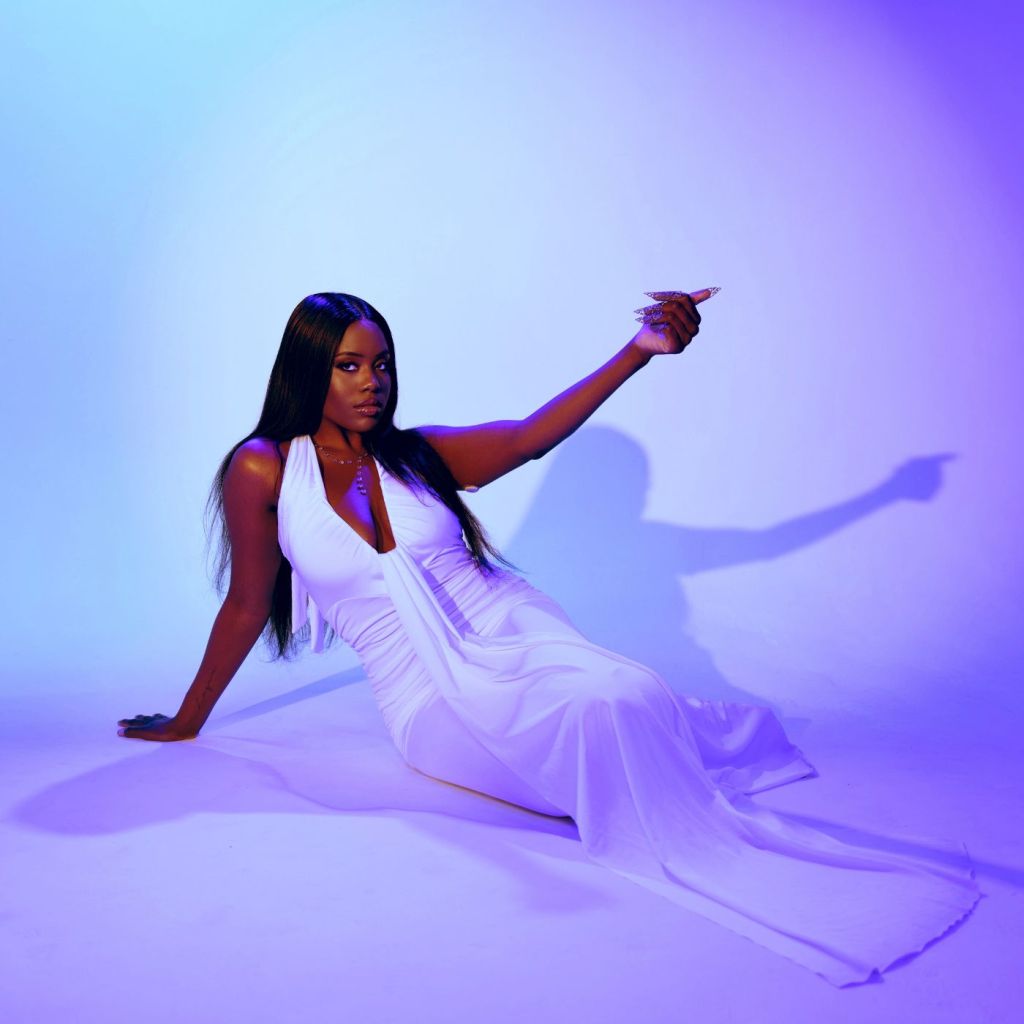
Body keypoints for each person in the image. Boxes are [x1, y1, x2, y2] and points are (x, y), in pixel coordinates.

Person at [117, 291, 982, 986]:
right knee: (598, 726)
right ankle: (654, 752)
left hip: (511, 626)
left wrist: (640, 351)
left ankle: (660, 739)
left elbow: (533, 437)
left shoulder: (418, 455)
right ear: (309, 369)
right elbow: (246, 604)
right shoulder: (264, 466)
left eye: (381, 364)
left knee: (624, 693)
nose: (371, 383)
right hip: (422, 697)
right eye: (348, 366)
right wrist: (188, 721)